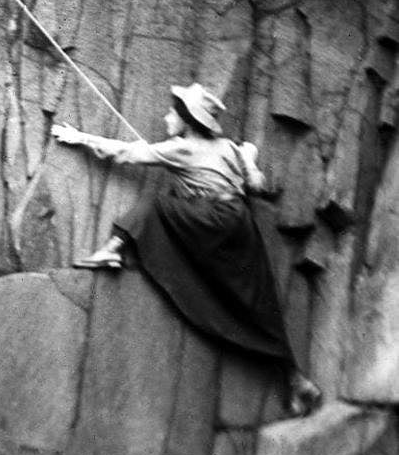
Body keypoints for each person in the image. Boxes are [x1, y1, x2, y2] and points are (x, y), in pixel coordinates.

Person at [51, 83, 322, 415]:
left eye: (172, 113)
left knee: (158, 204)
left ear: (186, 120)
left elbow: (125, 152)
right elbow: (257, 187)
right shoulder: (228, 146)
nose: (167, 118)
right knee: (257, 302)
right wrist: (247, 159)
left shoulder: (180, 148)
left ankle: (113, 248)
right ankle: (296, 380)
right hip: (240, 226)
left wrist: (81, 138)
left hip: (213, 222)